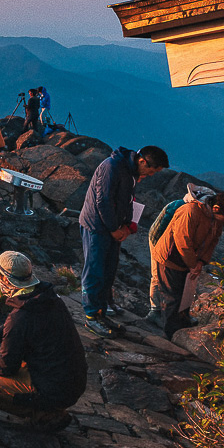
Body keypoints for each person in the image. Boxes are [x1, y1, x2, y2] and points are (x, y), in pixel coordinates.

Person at [0, 251, 88, 429]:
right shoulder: (50, 298)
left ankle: (44, 413)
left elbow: (6, 366)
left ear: (4, 279)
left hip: (53, 390)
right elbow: (30, 325)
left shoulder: (20, 317)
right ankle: (46, 407)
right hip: (72, 382)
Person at [79, 144, 169, 336]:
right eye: (151, 170)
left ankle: (101, 312)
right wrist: (113, 228)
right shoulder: (112, 167)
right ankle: (91, 316)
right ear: (142, 161)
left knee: (108, 271)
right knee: (94, 270)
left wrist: (127, 226)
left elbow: (127, 200)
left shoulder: (131, 172)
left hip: (113, 228)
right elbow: (102, 201)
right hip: (97, 226)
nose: (151, 175)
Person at [151, 191, 224, 339]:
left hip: (189, 261)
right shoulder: (190, 211)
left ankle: (182, 323)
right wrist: (193, 264)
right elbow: (182, 242)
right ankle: (170, 333)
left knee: (185, 295)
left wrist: (201, 262)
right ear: (215, 208)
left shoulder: (217, 220)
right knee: (172, 296)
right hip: (170, 257)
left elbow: (213, 241)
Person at [146, 183, 216, 323]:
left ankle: (177, 312)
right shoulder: (181, 208)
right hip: (159, 242)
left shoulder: (193, 210)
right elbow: (162, 231)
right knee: (157, 276)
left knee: (180, 280)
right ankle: (155, 311)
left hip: (171, 246)